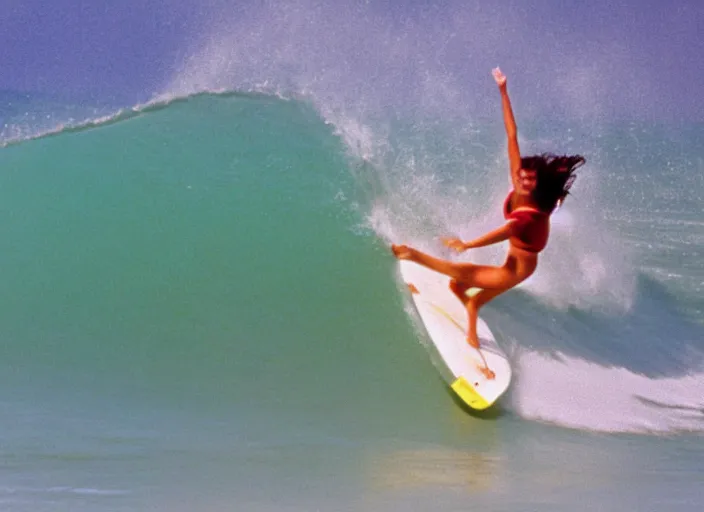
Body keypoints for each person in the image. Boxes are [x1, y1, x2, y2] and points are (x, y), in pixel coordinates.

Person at [392, 67, 585, 378]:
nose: (520, 178)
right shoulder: (519, 180)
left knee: (463, 274)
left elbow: (504, 232)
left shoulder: (531, 214)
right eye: (521, 174)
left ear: (535, 187)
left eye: (528, 178)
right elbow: (512, 133)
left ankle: (413, 255)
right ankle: (467, 301)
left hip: (518, 269)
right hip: (516, 254)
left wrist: (468, 244)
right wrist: (503, 90)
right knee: (464, 285)